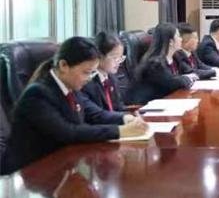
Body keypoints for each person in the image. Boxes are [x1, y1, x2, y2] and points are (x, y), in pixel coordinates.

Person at [1, 37, 148, 174]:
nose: (89, 79)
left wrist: (125, 118)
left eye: (92, 73)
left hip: (61, 164)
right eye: (86, 72)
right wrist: (120, 131)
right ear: (64, 66)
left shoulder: (71, 88)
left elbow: (95, 114)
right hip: (28, 172)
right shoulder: (38, 94)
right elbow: (68, 132)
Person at [127, 23, 197, 104]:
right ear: (171, 42)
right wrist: (187, 78)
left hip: (166, 101)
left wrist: (187, 77)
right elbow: (172, 83)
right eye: (178, 36)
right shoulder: (154, 64)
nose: (181, 39)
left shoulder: (176, 58)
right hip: (146, 106)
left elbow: (187, 72)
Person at [79, 32, 127, 112]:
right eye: (115, 58)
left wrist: (130, 114)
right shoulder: (88, 82)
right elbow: (96, 114)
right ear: (99, 56)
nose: (118, 62)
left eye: (121, 58)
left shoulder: (112, 79)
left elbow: (118, 107)